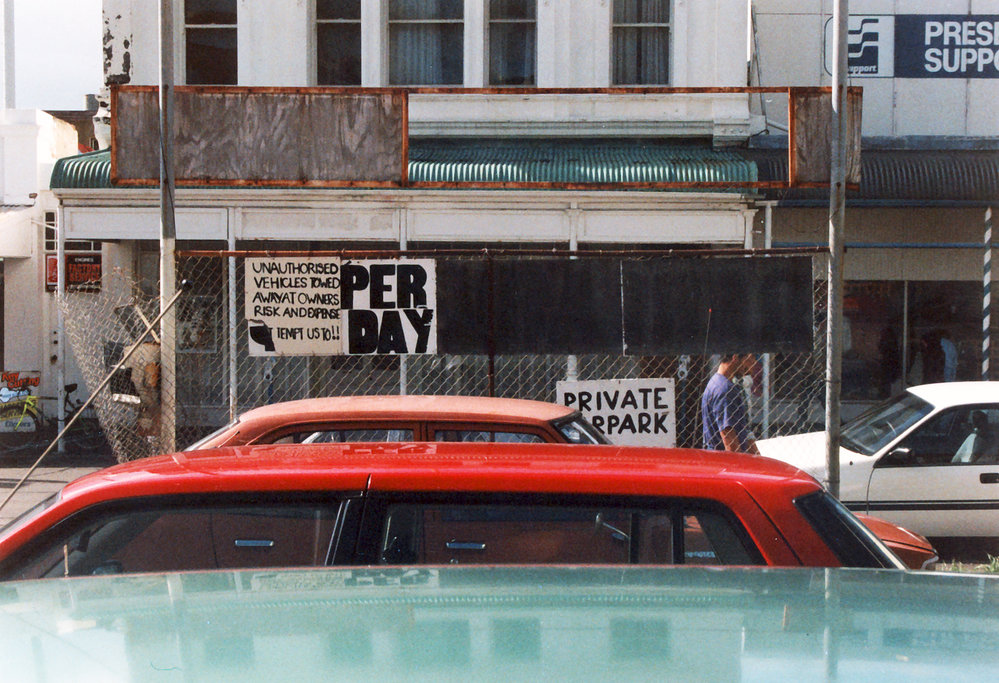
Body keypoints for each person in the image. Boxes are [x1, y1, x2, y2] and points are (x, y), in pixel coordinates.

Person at [701, 353, 759, 454]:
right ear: (735, 358)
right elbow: (729, 439)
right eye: (749, 360)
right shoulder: (725, 390)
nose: (752, 367)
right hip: (725, 461)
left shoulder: (716, 383)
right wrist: (737, 465)